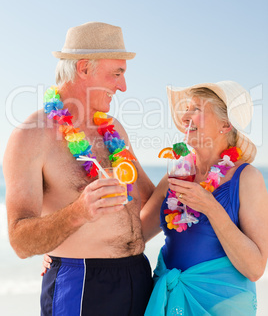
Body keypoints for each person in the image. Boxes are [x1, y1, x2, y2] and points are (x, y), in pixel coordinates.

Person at [3, 22, 155, 316]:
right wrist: (79, 211)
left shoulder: (114, 129)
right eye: (117, 73)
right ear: (84, 68)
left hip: (138, 276)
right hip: (83, 283)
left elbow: (151, 199)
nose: (123, 86)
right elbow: (20, 241)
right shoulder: (31, 136)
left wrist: (199, 166)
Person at [141, 81, 268, 315]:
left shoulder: (247, 178)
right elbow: (136, 234)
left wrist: (210, 207)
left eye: (196, 109)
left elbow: (255, 268)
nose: (185, 116)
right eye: (187, 108)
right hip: (168, 301)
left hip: (219, 304)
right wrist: (59, 253)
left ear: (226, 125)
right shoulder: (175, 174)